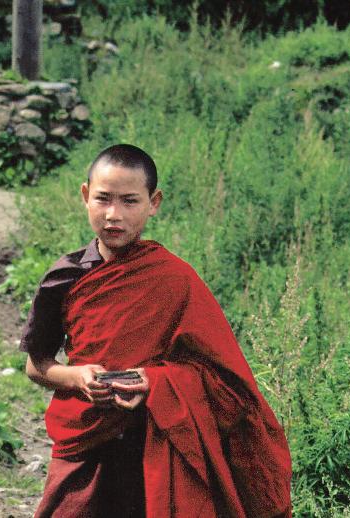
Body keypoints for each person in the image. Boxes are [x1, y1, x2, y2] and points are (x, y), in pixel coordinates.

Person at [20, 144, 292, 517]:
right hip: (85, 441)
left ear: (154, 202)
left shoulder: (175, 280)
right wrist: (75, 377)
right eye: (103, 199)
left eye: (130, 201)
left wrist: (153, 382)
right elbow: (36, 366)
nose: (114, 215)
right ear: (85, 197)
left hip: (156, 444)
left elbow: (227, 383)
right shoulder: (64, 279)